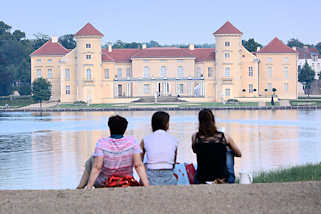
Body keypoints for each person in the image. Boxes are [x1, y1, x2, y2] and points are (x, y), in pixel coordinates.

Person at [77, 115, 149, 189]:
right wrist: (146, 185)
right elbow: (138, 165)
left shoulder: (101, 143)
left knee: (92, 160)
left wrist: (89, 186)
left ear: (109, 128)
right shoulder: (132, 142)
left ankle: (80, 187)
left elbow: (97, 167)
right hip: (126, 181)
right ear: (125, 129)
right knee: (93, 159)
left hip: (105, 182)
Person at [192, 109, 241, 184]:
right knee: (229, 151)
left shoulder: (195, 137)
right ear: (213, 120)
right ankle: (227, 179)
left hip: (201, 177)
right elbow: (239, 154)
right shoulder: (223, 136)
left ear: (199, 122)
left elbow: (194, 150)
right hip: (222, 177)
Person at [140, 111, 178, 186]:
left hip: (150, 176)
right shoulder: (174, 140)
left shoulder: (145, 139)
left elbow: (139, 162)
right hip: (169, 177)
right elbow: (173, 163)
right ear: (166, 124)